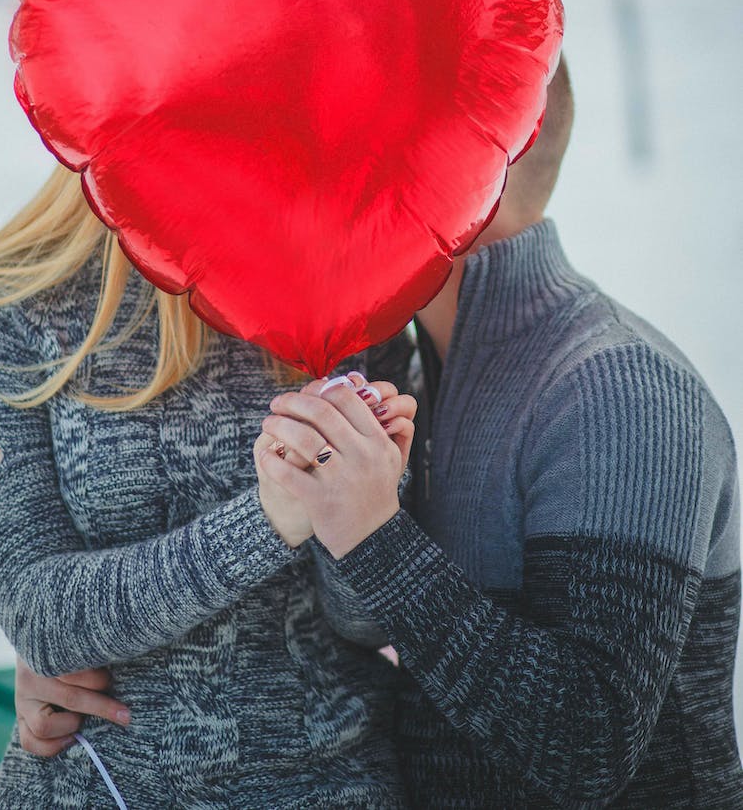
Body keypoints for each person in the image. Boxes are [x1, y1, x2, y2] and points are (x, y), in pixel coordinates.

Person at [259, 55, 743, 807]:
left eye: (361, 139)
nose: (331, 172)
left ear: (463, 157)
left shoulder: (617, 388)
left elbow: (587, 747)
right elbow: (370, 622)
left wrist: (373, 535)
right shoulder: (421, 374)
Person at [0, 164, 418, 810]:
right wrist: (269, 519)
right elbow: (39, 619)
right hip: (105, 786)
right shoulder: (4, 309)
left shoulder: (354, 292)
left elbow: (365, 624)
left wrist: (368, 514)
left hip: (338, 782)